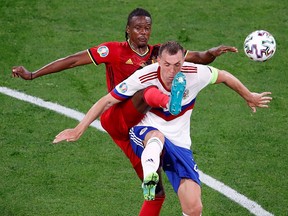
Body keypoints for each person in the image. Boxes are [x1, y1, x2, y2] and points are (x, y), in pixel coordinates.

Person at [12, 8, 238, 215]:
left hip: (135, 131)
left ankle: (155, 147)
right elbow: (72, 61)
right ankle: (170, 102)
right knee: (149, 88)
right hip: (116, 116)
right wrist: (33, 74)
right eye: (138, 28)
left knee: (155, 193)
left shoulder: (161, 55)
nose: (143, 33)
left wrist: (213, 52)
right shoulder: (113, 51)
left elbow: (197, 58)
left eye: (147, 28)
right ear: (128, 29)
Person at [53, 41, 272, 215]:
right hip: (144, 132)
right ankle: (150, 176)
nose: (172, 70)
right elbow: (107, 101)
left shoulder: (195, 73)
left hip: (180, 143)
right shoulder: (144, 75)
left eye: (177, 65)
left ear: (183, 59)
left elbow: (223, 76)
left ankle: (157, 162)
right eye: (167, 65)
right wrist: (79, 128)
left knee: (194, 207)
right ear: (158, 61)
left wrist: (249, 96)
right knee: (155, 136)